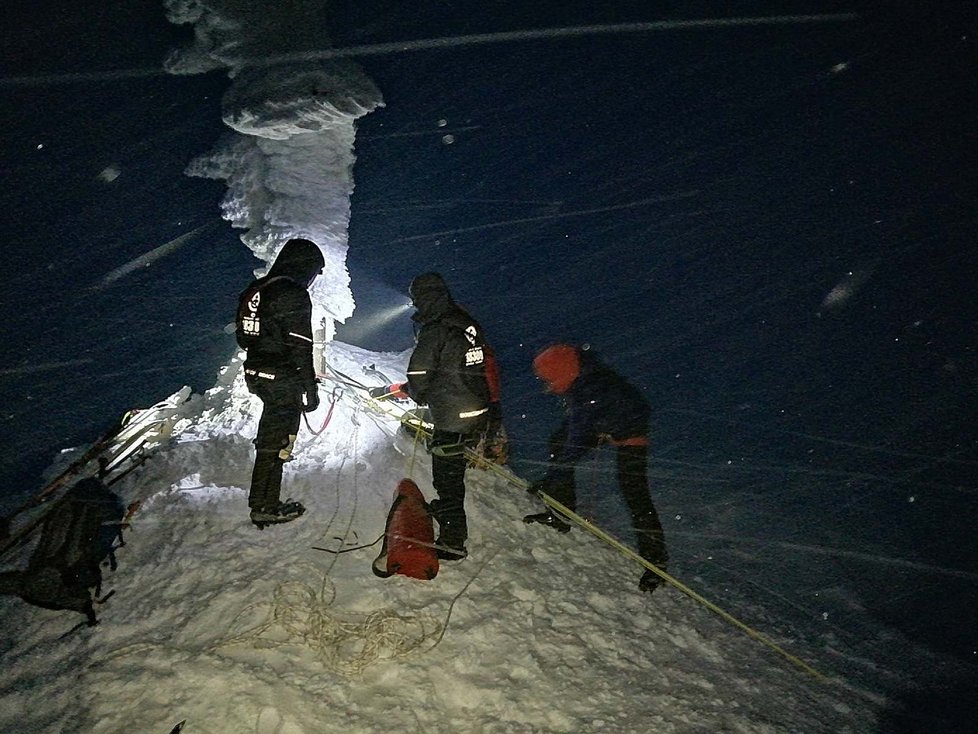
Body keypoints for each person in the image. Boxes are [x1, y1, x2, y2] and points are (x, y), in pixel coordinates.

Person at [526, 344, 669, 593]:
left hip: (629, 428)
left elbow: (577, 440)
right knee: (558, 442)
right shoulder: (579, 377)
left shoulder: (590, 391)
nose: (547, 386)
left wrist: (553, 476)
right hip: (603, 419)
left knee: (636, 495)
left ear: (562, 370)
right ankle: (560, 514)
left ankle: (656, 565)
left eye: (548, 379)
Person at [372, 272, 494, 560]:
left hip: (452, 415)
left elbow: (419, 372)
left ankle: (453, 541)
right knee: (452, 471)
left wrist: (416, 392)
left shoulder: (437, 328)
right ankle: (448, 512)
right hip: (475, 408)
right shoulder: (466, 323)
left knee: (447, 478)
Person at [235, 238, 324, 528]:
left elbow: (243, 337)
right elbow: (301, 347)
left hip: (256, 371)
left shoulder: (255, 290)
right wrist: (309, 389)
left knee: (271, 437)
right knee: (279, 440)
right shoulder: (292, 293)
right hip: (282, 376)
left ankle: (261, 501)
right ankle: (265, 505)